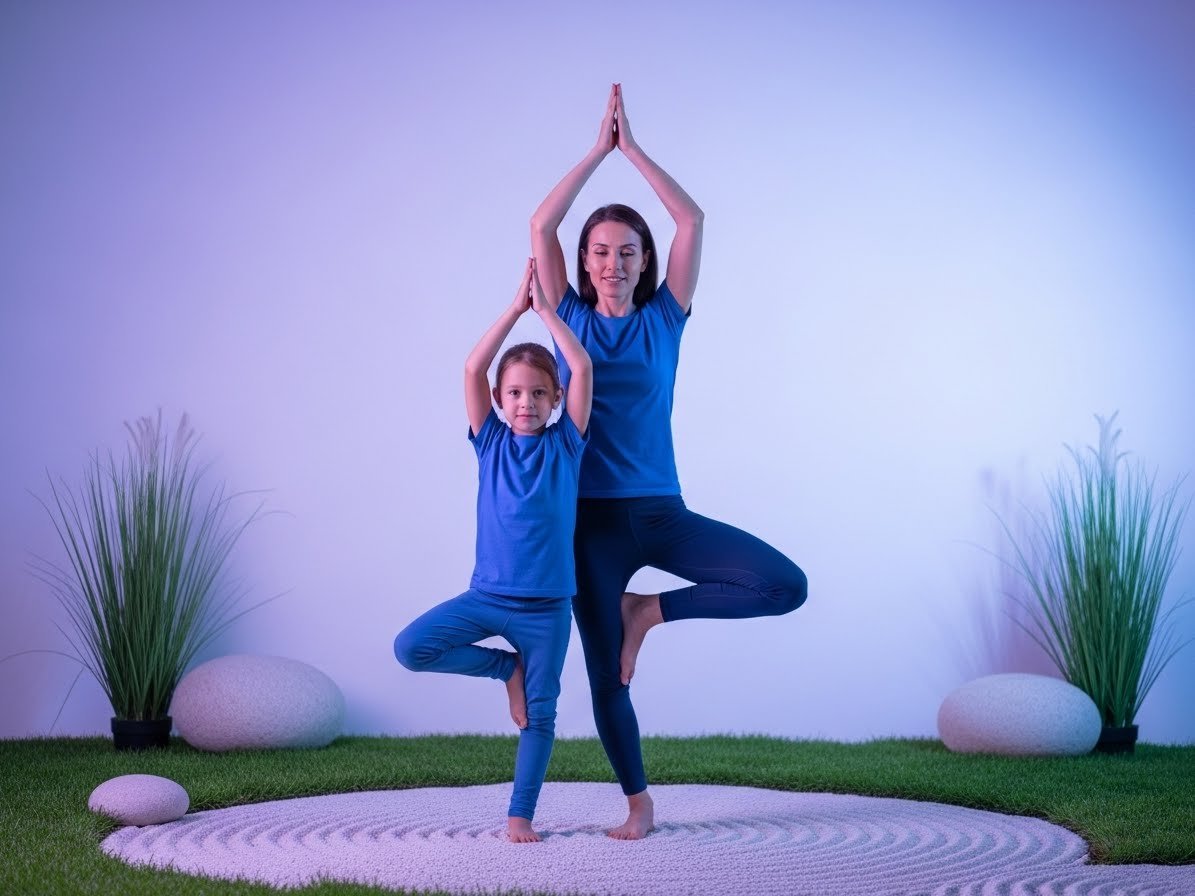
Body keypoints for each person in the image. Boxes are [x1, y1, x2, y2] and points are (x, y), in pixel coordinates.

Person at [529, 84, 808, 840]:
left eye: (628, 250)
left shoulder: (665, 319)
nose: (613, 262)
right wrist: (597, 152)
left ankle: (646, 611)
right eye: (600, 251)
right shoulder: (568, 318)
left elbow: (692, 219)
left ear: (645, 259)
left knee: (784, 585)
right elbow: (541, 224)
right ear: (584, 262)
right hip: (588, 525)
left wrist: (634, 151)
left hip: (660, 511)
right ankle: (638, 803)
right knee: (606, 676)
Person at [393, 258, 592, 843]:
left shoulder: (566, 446)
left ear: (556, 398)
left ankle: (519, 815)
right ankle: (506, 668)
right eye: (515, 393)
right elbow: (472, 366)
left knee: (540, 714)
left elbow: (581, 364)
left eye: (538, 393)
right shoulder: (490, 442)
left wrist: (547, 313)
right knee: (411, 648)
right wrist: (514, 309)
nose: (526, 402)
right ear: (499, 400)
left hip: (547, 611)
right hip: (486, 599)